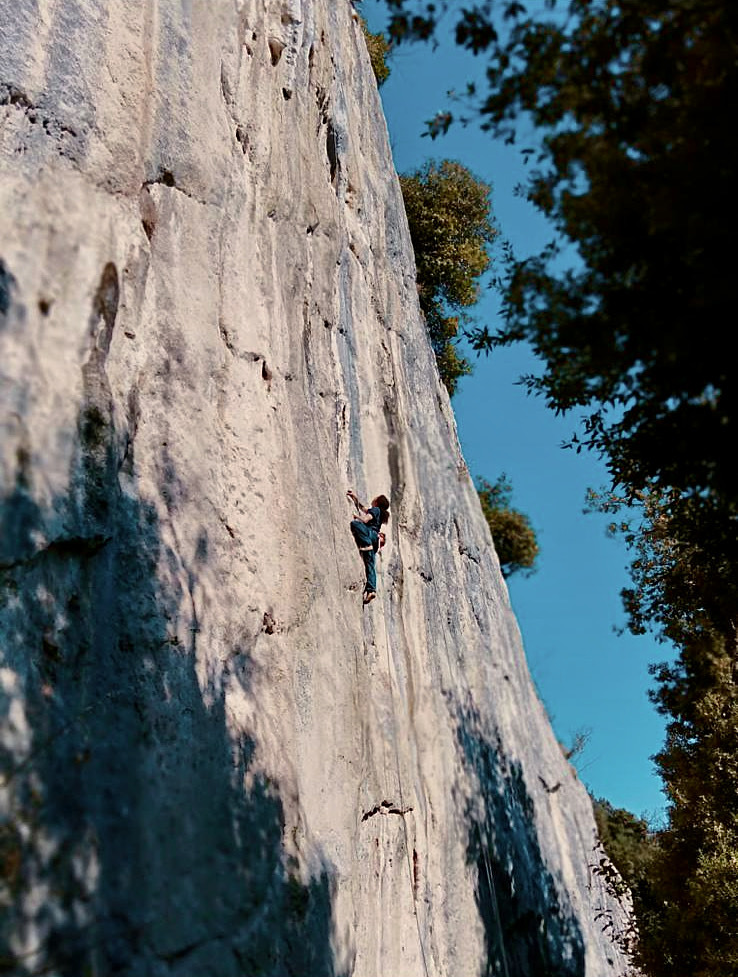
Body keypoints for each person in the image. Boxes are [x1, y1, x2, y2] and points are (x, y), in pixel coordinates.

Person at [346, 489, 390, 604]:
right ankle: (371, 590)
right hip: (374, 541)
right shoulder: (378, 512)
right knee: (370, 565)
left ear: (377, 501)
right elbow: (364, 509)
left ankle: (366, 544)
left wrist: (356, 517)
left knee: (355, 524)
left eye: (376, 497)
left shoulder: (376, 510)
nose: (373, 498)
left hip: (370, 536)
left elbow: (365, 519)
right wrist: (355, 498)